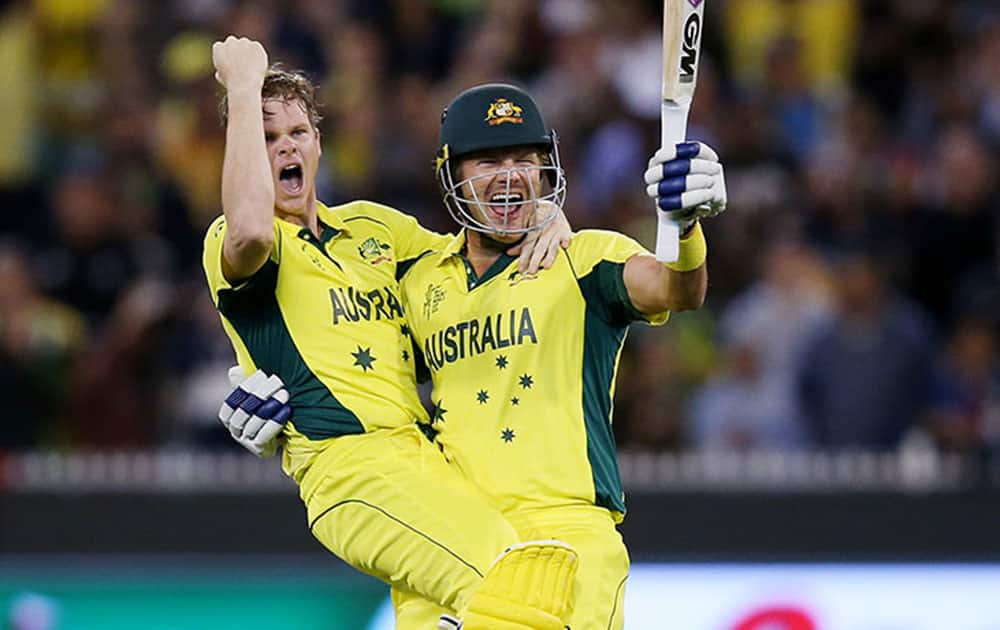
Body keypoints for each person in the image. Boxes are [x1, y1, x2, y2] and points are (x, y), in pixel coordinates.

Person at [223, 82, 727, 629]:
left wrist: (684, 227)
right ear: (453, 177)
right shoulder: (417, 279)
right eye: (488, 161)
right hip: (449, 540)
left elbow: (678, 289)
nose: (510, 175)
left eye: (525, 160)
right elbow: (349, 354)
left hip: (569, 535)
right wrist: (269, 392)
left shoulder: (583, 257)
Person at [204, 36, 580, 630]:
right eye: (266, 138)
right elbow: (249, 231)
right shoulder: (242, 240)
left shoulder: (375, 229)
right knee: (515, 577)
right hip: (348, 467)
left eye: (297, 133)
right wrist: (244, 89)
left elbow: (481, 257)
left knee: (481, 605)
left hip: (426, 461)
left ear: (319, 144)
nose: (285, 148)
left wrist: (544, 214)